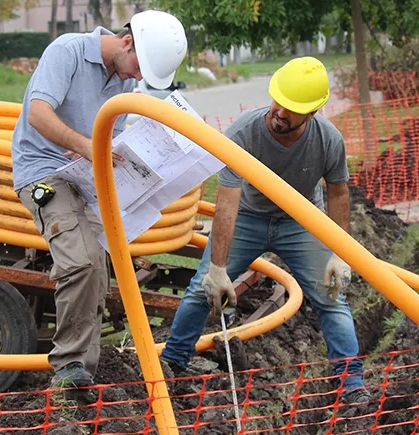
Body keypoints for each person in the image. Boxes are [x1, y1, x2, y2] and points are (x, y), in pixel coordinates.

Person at [159, 57, 371, 405]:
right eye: (278, 101)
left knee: (331, 297)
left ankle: (351, 385)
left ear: (312, 112)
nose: (280, 112)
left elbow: (338, 192)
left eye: (291, 109)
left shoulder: (328, 140)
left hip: (300, 220)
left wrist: (339, 253)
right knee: (202, 289)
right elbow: (227, 202)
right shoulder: (244, 132)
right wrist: (218, 268)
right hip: (248, 217)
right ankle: (171, 365)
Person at [11, 10, 188, 392]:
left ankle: (83, 371)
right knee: (83, 262)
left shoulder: (121, 79)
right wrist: (87, 148)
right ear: (127, 41)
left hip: (81, 175)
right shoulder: (69, 51)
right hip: (44, 173)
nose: (139, 77)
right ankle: (69, 372)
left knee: (99, 264)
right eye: (140, 66)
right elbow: (38, 114)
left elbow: (109, 135)